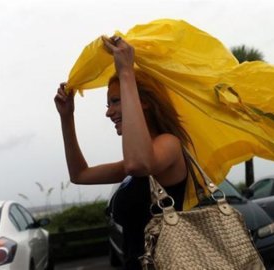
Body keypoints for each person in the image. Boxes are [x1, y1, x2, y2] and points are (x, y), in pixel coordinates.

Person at [54, 35, 193, 269]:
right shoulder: (133, 164)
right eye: (108, 105)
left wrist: (126, 72)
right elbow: (79, 175)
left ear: (143, 102)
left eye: (115, 101)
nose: (109, 113)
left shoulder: (169, 144)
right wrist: (67, 118)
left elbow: (139, 164)